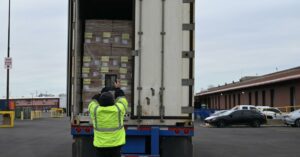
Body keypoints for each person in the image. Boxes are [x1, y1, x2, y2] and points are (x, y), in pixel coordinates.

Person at [88, 81, 128, 157]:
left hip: (100, 147)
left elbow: (93, 101)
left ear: (100, 102)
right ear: (113, 101)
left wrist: (101, 93)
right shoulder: (118, 109)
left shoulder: (96, 110)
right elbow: (122, 99)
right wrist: (117, 89)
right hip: (115, 146)